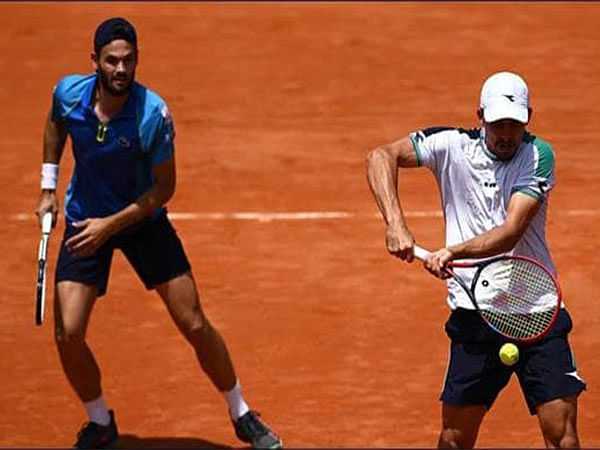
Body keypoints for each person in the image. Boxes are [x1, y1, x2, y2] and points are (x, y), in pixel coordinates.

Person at [35, 17, 282, 449]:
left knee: (193, 322)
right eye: (111, 60)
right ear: (94, 61)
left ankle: (242, 412)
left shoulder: (152, 114)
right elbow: (56, 124)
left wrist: (109, 226)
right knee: (68, 333)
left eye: (128, 61)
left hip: (141, 219)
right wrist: (48, 186)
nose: (120, 69)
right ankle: (100, 422)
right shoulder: (68, 94)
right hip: (84, 217)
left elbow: (164, 188)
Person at [366, 71, 586, 448]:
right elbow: (380, 156)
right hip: (475, 313)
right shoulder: (450, 145)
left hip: (537, 312)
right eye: (497, 122)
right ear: (479, 115)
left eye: (514, 124)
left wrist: (453, 251)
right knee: (454, 441)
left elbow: (512, 230)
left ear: (528, 118)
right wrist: (395, 223)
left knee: (563, 439)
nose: (505, 133)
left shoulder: (539, 156)